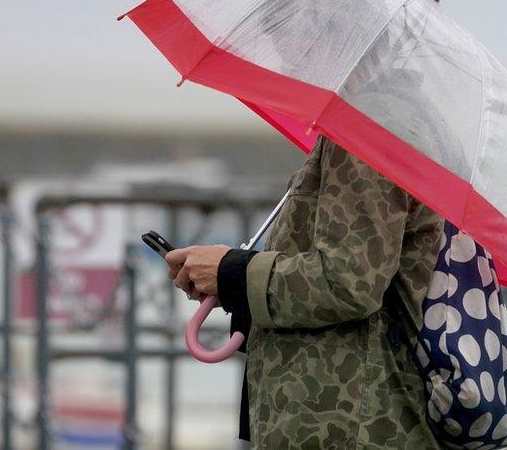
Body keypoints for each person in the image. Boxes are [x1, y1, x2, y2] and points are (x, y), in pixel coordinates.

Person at [166, 135, 444, 448]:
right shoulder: (374, 127)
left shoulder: (367, 133)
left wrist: (232, 273)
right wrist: (230, 277)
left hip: (344, 419)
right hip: (340, 414)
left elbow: (349, 281)